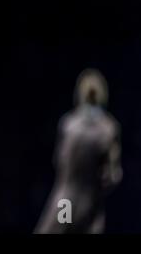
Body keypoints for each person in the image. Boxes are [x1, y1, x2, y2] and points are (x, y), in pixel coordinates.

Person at [34, 69, 122, 233]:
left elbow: (59, 161)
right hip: (90, 207)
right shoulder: (108, 129)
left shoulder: (69, 125)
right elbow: (112, 176)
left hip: (64, 201)